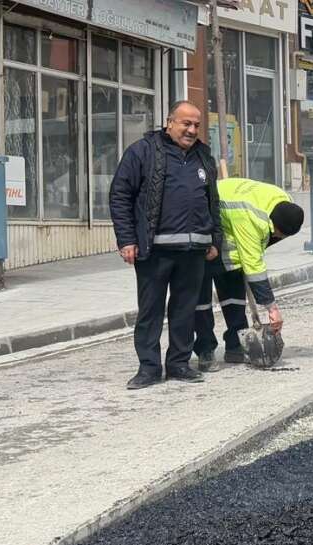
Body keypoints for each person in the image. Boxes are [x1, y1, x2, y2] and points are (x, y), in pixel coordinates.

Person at [110, 100, 222, 390]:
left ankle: (179, 364)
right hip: (154, 250)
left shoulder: (204, 157)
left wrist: (214, 240)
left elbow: (214, 202)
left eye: (197, 125)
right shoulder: (143, 152)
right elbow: (120, 195)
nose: (192, 129)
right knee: (150, 311)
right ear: (169, 123)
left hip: (194, 251)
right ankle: (148, 368)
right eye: (186, 123)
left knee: (185, 310)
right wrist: (127, 240)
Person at [193, 178, 304, 371]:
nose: (278, 238)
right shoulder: (252, 218)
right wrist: (271, 307)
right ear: (272, 224)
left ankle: (235, 345)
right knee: (201, 299)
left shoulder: (283, 200)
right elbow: (254, 264)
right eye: (279, 234)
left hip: (229, 234)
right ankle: (205, 349)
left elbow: (256, 251)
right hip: (202, 227)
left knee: (234, 296)